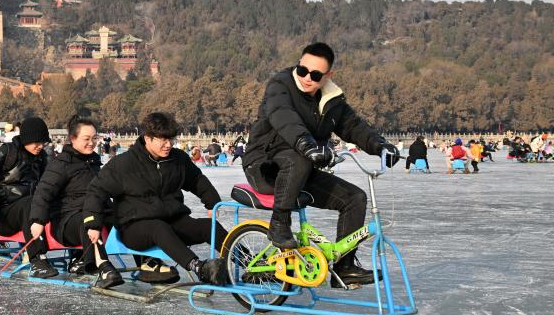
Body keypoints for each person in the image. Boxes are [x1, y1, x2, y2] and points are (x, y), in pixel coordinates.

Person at [242, 42, 400, 287]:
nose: (306, 78)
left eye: (315, 75)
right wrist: (306, 144)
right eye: (302, 70)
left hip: (303, 169)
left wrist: (380, 146)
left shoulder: (332, 100)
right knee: (298, 158)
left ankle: (345, 268)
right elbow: (285, 117)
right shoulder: (280, 85)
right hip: (264, 166)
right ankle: (279, 223)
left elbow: (353, 126)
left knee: (354, 198)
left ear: (328, 76)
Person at [82, 112, 229, 285]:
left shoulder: (178, 159)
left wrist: (212, 203)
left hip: (172, 220)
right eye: (163, 140)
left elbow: (197, 180)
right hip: (135, 227)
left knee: (208, 227)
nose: (168, 145)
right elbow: (96, 190)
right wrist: (92, 223)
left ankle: (251, 264)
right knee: (158, 227)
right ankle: (199, 267)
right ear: (147, 138)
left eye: (171, 140)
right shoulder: (123, 164)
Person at [28, 116, 123, 289]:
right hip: (68, 221)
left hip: (95, 212)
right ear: (72, 139)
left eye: (94, 138)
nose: (91, 143)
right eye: (86, 139)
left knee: (129, 214)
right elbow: (43, 192)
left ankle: (148, 263)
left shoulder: (93, 161)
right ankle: (104, 266)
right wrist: (37, 220)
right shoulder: (61, 163)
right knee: (87, 220)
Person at [0, 116, 55, 278]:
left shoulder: (43, 157)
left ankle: (80, 258)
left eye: (43, 142)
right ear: (26, 139)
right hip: (3, 215)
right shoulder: (7, 151)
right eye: (37, 142)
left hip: (30, 215)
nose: (40, 146)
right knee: (31, 203)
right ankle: (37, 260)